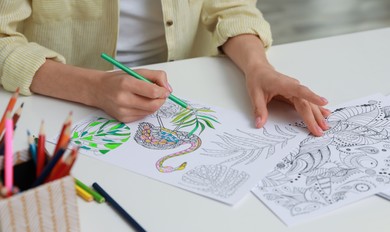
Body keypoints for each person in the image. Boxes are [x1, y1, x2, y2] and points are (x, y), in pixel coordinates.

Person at [0, 0, 330, 136]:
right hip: (58, 106)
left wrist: (258, 66)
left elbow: (231, 7)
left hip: (191, 85)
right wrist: (92, 88)